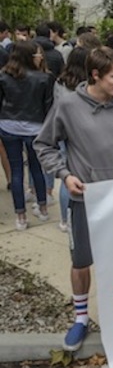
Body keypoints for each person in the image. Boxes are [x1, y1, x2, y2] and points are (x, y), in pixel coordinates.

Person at [35, 46, 113, 352]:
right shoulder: (68, 106)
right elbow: (44, 145)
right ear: (95, 75)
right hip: (83, 199)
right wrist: (65, 174)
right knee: (81, 262)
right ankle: (80, 319)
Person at [0, 41, 55, 230]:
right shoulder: (44, 78)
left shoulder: (4, 76)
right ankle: (43, 208)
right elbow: (48, 106)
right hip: (35, 127)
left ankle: (21, 216)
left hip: (8, 125)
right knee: (36, 168)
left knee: (16, 171)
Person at [54, 46, 89, 232]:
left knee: (66, 175)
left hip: (63, 129)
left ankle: (64, 220)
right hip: (84, 131)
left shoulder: (60, 81)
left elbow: (55, 104)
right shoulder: (89, 82)